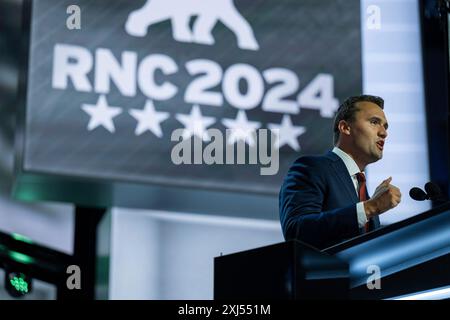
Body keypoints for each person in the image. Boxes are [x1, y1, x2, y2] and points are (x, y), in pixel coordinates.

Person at [279, 95, 401, 250]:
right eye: (374, 122)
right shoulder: (311, 168)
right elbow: (296, 231)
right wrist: (370, 207)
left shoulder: (362, 190)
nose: (384, 133)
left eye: (385, 126)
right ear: (345, 127)